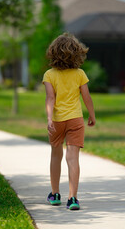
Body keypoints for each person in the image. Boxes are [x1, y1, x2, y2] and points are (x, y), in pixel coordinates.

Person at [42, 33, 96, 210]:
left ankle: (55, 194)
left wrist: (49, 118)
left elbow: (50, 98)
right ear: (76, 53)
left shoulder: (49, 75)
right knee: (73, 159)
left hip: (57, 121)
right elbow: (86, 97)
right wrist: (92, 115)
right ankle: (73, 198)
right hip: (75, 119)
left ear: (54, 53)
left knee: (56, 156)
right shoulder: (80, 74)